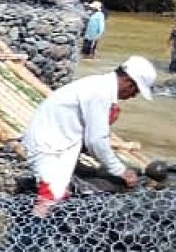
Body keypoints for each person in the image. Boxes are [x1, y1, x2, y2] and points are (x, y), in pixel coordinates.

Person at [22, 56, 156, 211]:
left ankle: (39, 227)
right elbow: (96, 141)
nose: (133, 96)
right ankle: (31, 231)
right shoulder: (100, 92)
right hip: (49, 146)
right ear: (128, 82)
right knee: (51, 196)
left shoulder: (99, 85)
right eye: (136, 91)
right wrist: (121, 171)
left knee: (59, 195)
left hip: (60, 142)